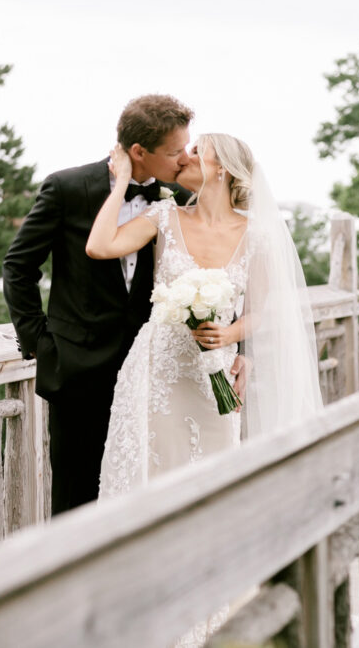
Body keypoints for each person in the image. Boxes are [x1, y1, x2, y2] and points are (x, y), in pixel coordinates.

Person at [3, 95, 244, 515]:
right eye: (175, 152)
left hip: (159, 374)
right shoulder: (67, 187)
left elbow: (226, 280)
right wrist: (42, 344)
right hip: (79, 369)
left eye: (189, 150)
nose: (184, 158)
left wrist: (244, 352)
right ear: (138, 152)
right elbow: (19, 268)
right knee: (77, 500)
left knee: (152, 493)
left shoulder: (178, 197)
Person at [89, 133, 322, 499]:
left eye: (197, 151)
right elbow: (100, 246)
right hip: (157, 370)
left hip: (215, 373)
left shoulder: (257, 234)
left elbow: (258, 312)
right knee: (153, 473)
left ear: (223, 170)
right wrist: (120, 181)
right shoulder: (164, 216)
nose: (184, 157)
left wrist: (230, 336)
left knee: (215, 475)